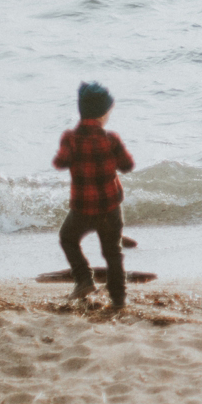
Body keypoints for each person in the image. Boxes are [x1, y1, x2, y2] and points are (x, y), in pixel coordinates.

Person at [53, 81, 133, 310]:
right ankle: (118, 300)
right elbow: (127, 165)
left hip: (82, 209)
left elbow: (60, 162)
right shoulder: (111, 139)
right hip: (110, 207)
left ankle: (84, 280)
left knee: (68, 238)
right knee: (113, 252)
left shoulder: (70, 138)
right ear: (103, 114)